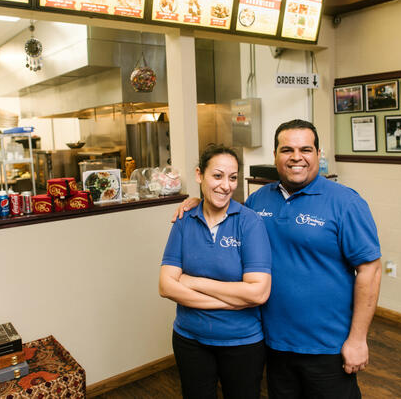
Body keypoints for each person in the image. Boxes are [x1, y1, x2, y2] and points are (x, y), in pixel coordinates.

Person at [174, 120, 382, 398]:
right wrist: (196, 203)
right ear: (275, 156)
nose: (296, 157)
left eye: (305, 149)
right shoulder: (258, 201)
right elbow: (223, 215)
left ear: (318, 154)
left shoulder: (345, 202)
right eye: (287, 150)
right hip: (272, 343)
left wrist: (357, 340)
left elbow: (371, 270)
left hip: (326, 346)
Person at [159, 144, 272, 399]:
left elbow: (258, 293)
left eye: (232, 178)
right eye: (217, 176)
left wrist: (192, 282)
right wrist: (233, 301)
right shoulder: (184, 220)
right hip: (190, 341)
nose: (226, 185)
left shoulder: (249, 222)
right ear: (200, 175)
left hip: (242, 343)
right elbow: (166, 286)